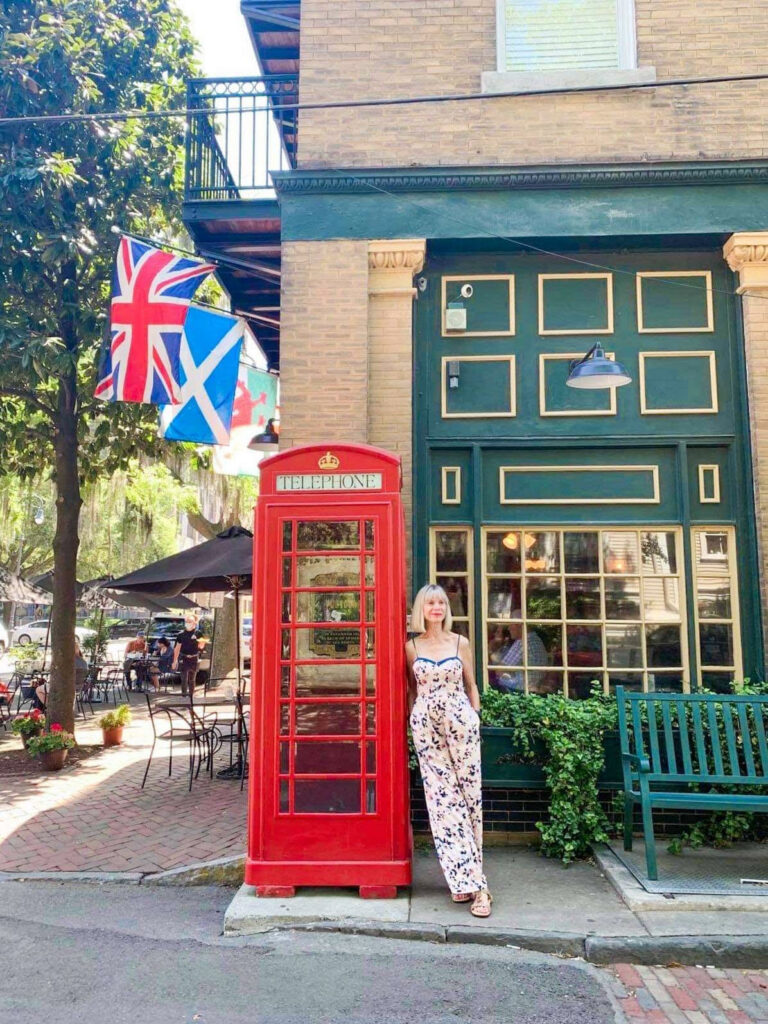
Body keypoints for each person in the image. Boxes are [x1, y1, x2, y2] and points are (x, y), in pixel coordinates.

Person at [405, 583, 492, 919]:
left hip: (461, 725)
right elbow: (412, 690)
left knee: (470, 801)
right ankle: (467, 881)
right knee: (443, 805)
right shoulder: (411, 647)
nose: (437, 607)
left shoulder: (461, 643)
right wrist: (413, 721)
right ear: (421, 609)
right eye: (430, 603)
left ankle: (476, 883)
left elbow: (471, 684)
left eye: (441, 601)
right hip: (427, 729)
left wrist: (474, 717)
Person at [173, 615, 203, 697]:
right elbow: (177, 648)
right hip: (183, 658)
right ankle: (184, 696)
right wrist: (174, 661)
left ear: (194, 623)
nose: (188, 623)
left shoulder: (198, 633)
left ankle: (191, 696)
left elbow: (201, 646)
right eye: (187, 622)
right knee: (184, 679)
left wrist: (202, 644)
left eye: (190, 622)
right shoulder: (181, 634)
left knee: (192, 679)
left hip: (194, 658)